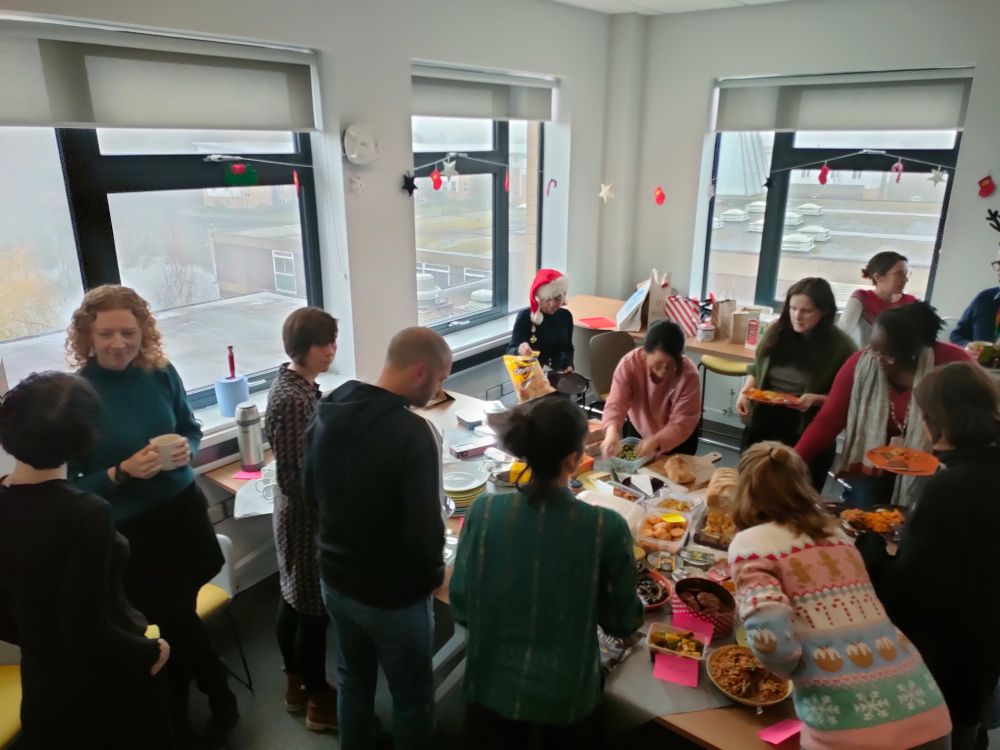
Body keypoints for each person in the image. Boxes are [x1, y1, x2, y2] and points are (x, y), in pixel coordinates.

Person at [66, 285, 234, 744]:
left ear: (144, 332)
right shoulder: (74, 396)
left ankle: (183, 706)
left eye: (128, 332)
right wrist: (120, 472)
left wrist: (188, 451)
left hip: (183, 515)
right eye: (106, 334)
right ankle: (212, 686)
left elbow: (191, 429)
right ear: (87, 335)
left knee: (175, 618)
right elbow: (71, 485)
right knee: (175, 618)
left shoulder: (161, 373)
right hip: (130, 534)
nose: (118, 343)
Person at [729, 442, 952, 750]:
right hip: (926, 711)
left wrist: (787, 669)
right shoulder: (838, 535)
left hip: (852, 729)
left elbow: (771, 637)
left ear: (745, 491)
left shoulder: (750, 543)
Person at [451, 397, 643, 749]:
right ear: (574, 459)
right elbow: (622, 620)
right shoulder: (605, 526)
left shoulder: (483, 510)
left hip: (489, 689)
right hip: (566, 699)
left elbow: (461, 603)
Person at [0, 372, 173, 749]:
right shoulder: (84, 511)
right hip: (104, 688)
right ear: (83, 439)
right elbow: (89, 630)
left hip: (44, 684)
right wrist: (151, 650)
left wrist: (39, 637)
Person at [305, 327, 451, 750]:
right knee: (411, 697)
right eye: (441, 379)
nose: (440, 389)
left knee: (353, 677)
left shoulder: (328, 407)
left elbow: (308, 493)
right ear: (420, 371)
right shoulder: (413, 433)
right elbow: (425, 530)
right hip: (393, 597)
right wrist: (433, 573)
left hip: (334, 578)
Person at [858, 363, 1000, 750]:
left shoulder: (950, 489)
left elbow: (913, 596)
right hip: (985, 650)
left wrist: (872, 546)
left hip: (941, 661)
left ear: (938, 421)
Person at [796, 302, 972, 507]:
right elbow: (828, 421)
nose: (876, 359)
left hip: (936, 464)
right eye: (873, 349)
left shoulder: (952, 365)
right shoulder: (863, 362)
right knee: (864, 513)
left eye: (886, 355)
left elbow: (972, 429)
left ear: (913, 352)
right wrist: (794, 459)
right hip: (873, 459)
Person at [265, 307, 339, 731]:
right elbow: (296, 475)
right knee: (311, 610)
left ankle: (294, 685)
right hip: (305, 517)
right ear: (302, 349)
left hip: (300, 511)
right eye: (324, 344)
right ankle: (317, 699)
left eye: (332, 341)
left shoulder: (302, 385)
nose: (332, 350)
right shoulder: (293, 398)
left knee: (292, 598)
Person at [737, 278, 857, 490]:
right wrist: (745, 391)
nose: (797, 316)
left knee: (796, 492)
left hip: (808, 424)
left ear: (824, 312)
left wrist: (817, 400)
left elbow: (850, 397)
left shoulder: (841, 346)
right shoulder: (778, 331)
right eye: (792, 308)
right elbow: (757, 367)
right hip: (766, 417)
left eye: (806, 311)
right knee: (753, 485)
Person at [600, 320, 701, 459]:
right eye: (658, 364)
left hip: (679, 439)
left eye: (671, 365)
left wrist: (656, 441)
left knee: (676, 477)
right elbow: (616, 403)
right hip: (642, 430)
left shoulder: (689, 375)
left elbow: (683, 421)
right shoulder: (630, 365)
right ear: (645, 352)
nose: (663, 372)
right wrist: (611, 432)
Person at [838, 251, 917, 346]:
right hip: (864, 359)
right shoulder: (861, 299)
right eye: (899, 274)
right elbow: (841, 334)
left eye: (906, 274)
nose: (905, 279)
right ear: (878, 277)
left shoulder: (911, 303)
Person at [509, 268, 573, 371]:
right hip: (532, 377)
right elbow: (510, 351)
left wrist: (569, 364)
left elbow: (568, 349)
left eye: (558, 299)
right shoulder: (525, 318)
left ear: (563, 296)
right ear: (539, 297)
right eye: (548, 299)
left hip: (557, 376)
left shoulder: (565, 316)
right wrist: (518, 350)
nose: (552, 304)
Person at [949, 249, 1000, 347]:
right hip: (979, 362)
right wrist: (969, 346)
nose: (999, 269)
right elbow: (956, 335)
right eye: (998, 263)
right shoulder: (983, 299)